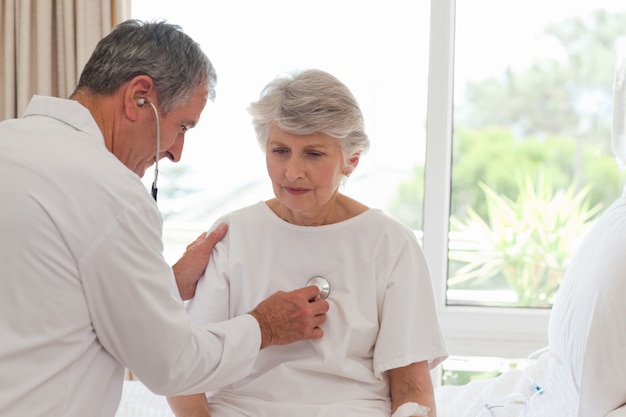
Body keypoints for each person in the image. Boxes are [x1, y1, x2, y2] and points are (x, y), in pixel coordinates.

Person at [0, 20, 329, 417]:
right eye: (182, 127)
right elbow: (171, 365)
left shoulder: (10, 144)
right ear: (139, 97)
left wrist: (166, 285)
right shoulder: (111, 193)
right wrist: (265, 326)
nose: (177, 152)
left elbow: (45, 298)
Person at [167, 69, 448, 417]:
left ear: (352, 160)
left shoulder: (391, 243)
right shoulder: (232, 235)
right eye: (280, 150)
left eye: (313, 154)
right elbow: (185, 372)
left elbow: (412, 386)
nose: (292, 171)